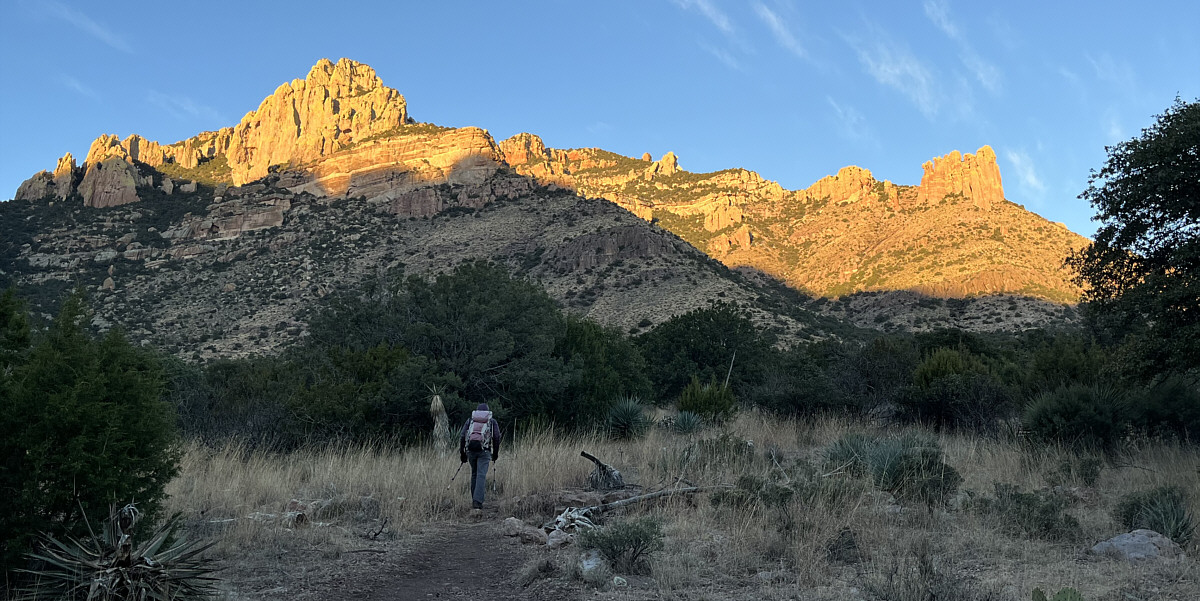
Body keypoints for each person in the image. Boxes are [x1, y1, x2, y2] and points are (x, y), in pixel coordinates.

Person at [458, 403, 502, 510]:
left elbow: (462, 436)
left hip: (471, 451)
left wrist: (462, 453)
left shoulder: (470, 420)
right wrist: (495, 453)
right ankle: (477, 502)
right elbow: (497, 437)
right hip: (484, 451)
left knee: (474, 474)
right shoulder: (491, 421)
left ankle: (474, 499)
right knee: (481, 475)